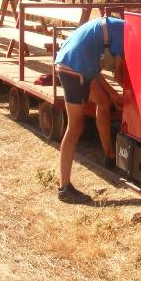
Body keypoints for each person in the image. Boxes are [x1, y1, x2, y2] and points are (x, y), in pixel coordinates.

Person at [53, 16, 125, 203]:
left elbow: (96, 71)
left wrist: (114, 96)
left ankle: (109, 155)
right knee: (75, 126)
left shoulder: (116, 26)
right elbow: (119, 74)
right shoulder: (125, 32)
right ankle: (64, 187)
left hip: (75, 63)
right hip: (73, 67)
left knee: (103, 101)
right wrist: (127, 95)